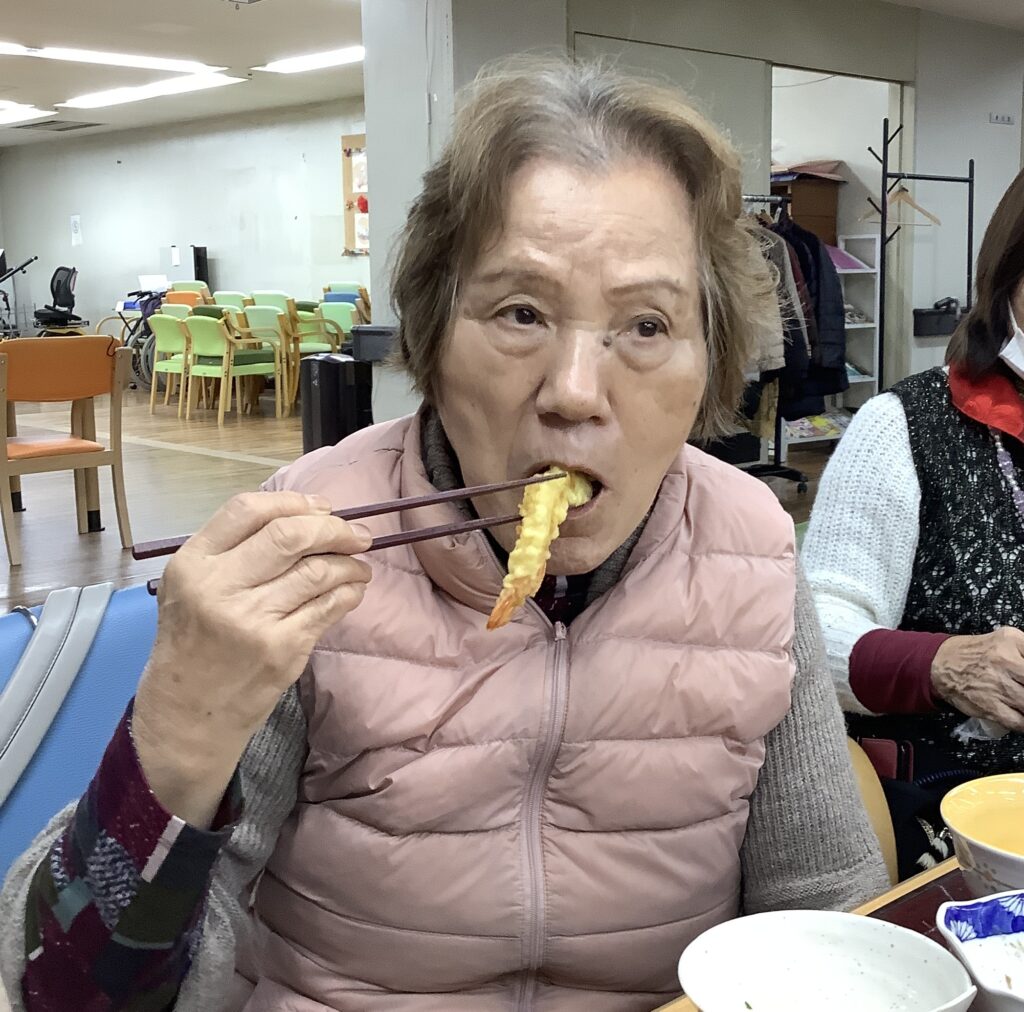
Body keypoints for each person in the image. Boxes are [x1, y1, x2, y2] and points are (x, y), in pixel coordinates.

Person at [0, 60, 886, 1012]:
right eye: (520, 313)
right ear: (432, 332)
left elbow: (827, 913)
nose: (575, 393)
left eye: (645, 325)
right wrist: (178, 725)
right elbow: (64, 993)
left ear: (711, 357)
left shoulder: (753, 545)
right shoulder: (315, 539)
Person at [803, 166, 1024, 879]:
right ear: (1010, 274)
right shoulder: (904, 428)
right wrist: (945, 663)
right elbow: (810, 633)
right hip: (959, 830)